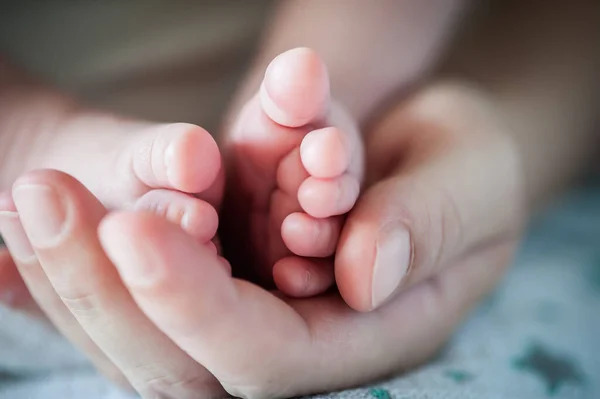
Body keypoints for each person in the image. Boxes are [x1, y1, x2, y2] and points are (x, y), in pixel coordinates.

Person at [0, 1, 598, 398]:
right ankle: (48, 145)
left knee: (319, 87)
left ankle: (321, 107)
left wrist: (347, 81)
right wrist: (37, 134)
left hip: (443, 84)